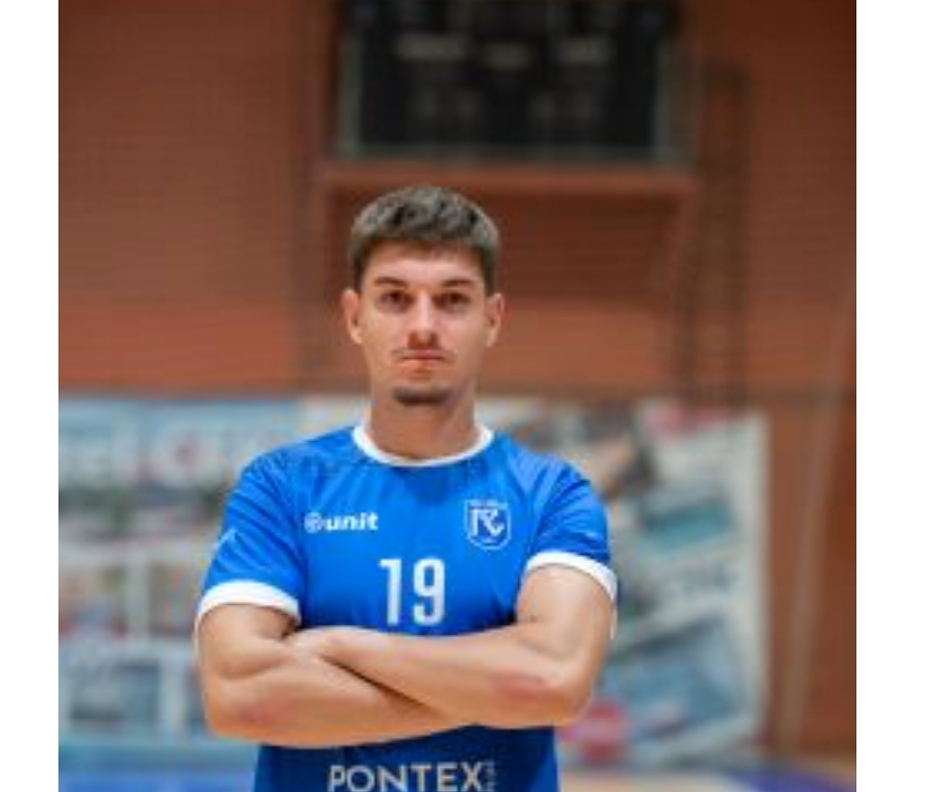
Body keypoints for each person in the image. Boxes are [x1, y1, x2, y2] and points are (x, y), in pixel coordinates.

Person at [195, 185, 617, 792]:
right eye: (395, 298)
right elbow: (242, 697)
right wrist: (492, 692)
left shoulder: (552, 495)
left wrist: (342, 644)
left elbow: (551, 680)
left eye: (452, 300)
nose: (423, 326)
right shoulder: (283, 487)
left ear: (492, 319)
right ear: (354, 316)